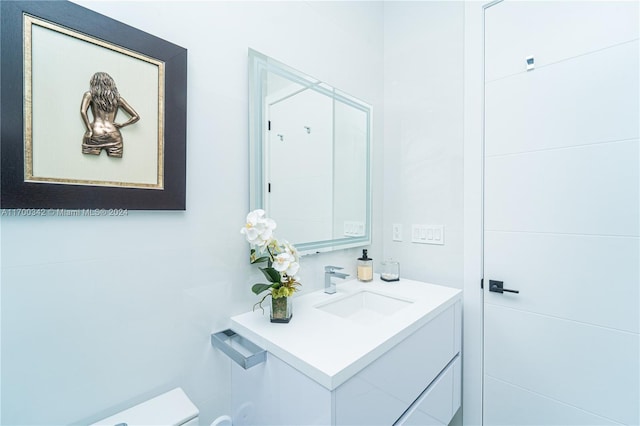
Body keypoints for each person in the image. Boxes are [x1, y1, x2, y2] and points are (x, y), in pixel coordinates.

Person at [80, 72, 140, 157]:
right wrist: (122, 125)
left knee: (89, 164)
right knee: (116, 168)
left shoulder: (90, 95)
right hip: (114, 135)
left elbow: (83, 111)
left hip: (95, 133)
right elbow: (136, 116)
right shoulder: (117, 99)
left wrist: (89, 130)